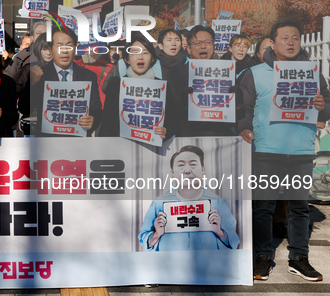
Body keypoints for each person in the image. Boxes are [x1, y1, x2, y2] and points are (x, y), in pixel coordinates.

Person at [239, 20, 330, 282]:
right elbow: (243, 109)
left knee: (299, 207)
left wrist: (323, 106)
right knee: (263, 207)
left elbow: (325, 107)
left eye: (295, 38)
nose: (290, 42)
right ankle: (262, 257)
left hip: (301, 150)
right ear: (272, 42)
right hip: (266, 149)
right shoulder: (254, 73)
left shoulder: (313, 73)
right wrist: (244, 128)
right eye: (284, 38)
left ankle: (299, 258)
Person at [138, 145, 240, 251]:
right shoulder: (159, 203)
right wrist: (156, 234)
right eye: (181, 165)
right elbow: (144, 238)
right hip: (171, 264)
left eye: (193, 164)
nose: (187, 170)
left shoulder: (217, 202)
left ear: (202, 170)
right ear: (172, 172)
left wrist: (220, 232)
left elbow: (233, 241)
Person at [30, 26, 102, 136]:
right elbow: (25, 108)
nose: (64, 51)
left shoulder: (88, 76)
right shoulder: (40, 75)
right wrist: (31, 84)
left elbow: (96, 109)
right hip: (47, 143)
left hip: (78, 142)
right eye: (59, 46)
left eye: (69, 46)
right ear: (50, 49)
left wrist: (93, 120)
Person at [164, 26, 233, 138]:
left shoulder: (228, 73)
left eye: (207, 42)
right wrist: (183, 104)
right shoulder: (175, 75)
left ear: (214, 46)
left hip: (220, 139)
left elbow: (238, 115)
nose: (203, 46)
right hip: (188, 138)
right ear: (189, 49)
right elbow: (170, 115)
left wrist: (237, 103)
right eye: (197, 43)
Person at [101, 33, 166, 139]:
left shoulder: (162, 88)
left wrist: (166, 130)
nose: (140, 57)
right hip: (121, 149)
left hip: (153, 150)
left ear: (152, 59)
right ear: (126, 59)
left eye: (145, 52)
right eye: (135, 52)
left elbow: (172, 121)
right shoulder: (115, 87)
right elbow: (107, 125)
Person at [5, 21, 47, 94]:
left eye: (45, 34)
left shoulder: (58, 56)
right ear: (32, 38)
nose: (42, 36)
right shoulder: (21, 57)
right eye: (39, 33)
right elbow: (8, 82)